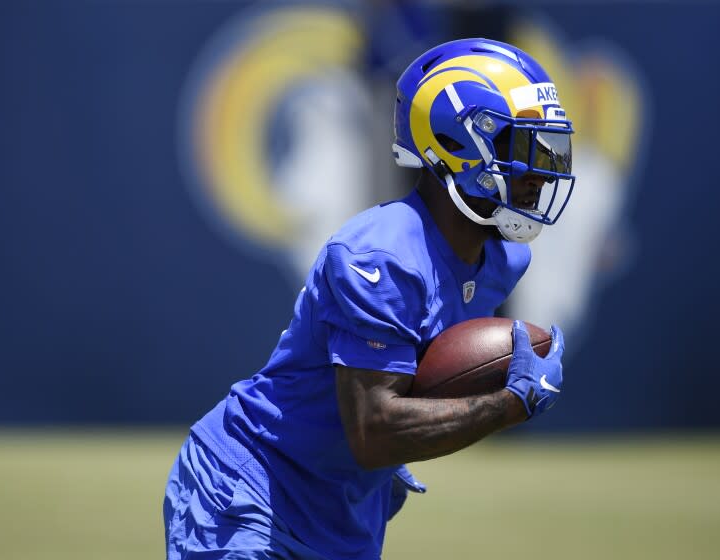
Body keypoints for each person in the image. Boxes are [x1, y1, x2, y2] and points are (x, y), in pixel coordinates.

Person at [164, 37, 575, 560]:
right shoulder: (381, 254)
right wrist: (509, 403)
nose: (541, 171)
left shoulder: (502, 260)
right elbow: (374, 431)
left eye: (548, 150)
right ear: (460, 143)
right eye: (524, 149)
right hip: (252, 491)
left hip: (344, 511)